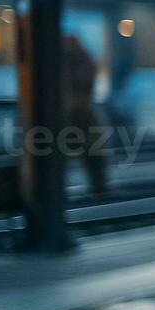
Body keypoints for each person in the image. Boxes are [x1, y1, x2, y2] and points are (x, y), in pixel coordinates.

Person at [61, 34, 107, 196]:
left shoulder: (64, 62)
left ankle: (98, 189)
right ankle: (99, 190)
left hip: (69, 116)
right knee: (93, 155)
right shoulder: (85, 59)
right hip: (81, 114)